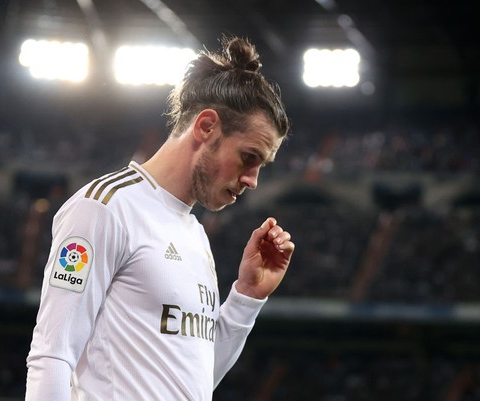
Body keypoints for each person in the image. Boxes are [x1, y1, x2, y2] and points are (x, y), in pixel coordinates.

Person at [25, 36, 294, 400]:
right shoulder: (104, 207)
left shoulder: (194, 234)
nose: (253, 180)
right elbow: (52, 355)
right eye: (249, 157)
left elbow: (194, 380)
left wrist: (246, 296)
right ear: (206, 127)